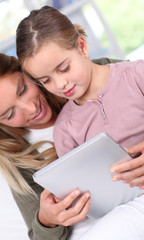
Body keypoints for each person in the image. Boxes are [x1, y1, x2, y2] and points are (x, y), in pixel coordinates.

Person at [16, 6, 144, 240]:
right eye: (46, 80)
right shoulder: (65, 129)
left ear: (82, 47)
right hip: (129, 206)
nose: (61, 84)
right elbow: (87, 193)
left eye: (64, 68)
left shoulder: (136, 75)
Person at [0, 47, 127, 240]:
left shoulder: (89, 76)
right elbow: (38, 236)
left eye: (23, 89)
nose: (31, 108)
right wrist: (47, 220)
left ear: (24, 70)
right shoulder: (19, 159)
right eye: (9, 114)